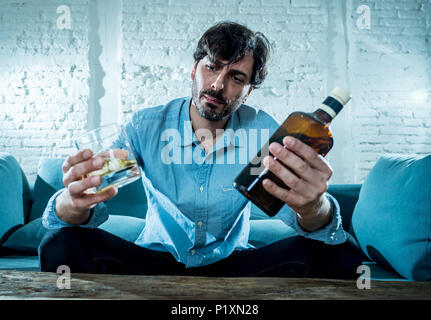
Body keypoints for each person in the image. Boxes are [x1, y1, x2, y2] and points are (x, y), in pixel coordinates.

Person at [38, 21, 362, 278]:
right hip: (154, 259)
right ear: (194, 70)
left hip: (233, 265)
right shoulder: (147, 126)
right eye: (212, 67)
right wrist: (74, 201)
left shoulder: (263, 131)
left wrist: (315, 206)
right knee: (62, 243)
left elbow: (300, 213)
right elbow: (95, 189)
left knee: (340, 251)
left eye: (235, 77)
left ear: (247, 92)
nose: (218, 85)